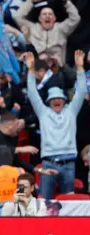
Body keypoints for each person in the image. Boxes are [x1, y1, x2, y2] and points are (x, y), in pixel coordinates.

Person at [25, 50, 87, 199]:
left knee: (68, 202)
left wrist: (80, 68)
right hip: (49, 162)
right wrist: (31, 70)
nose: (56, 100)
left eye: (59, 98)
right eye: (53, 98)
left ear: (64, 100)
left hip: (69, 163)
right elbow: (32, 92)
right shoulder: (43, 112)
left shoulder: (71, 111)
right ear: (49, 101)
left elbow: (82, 90)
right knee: (44, 201)